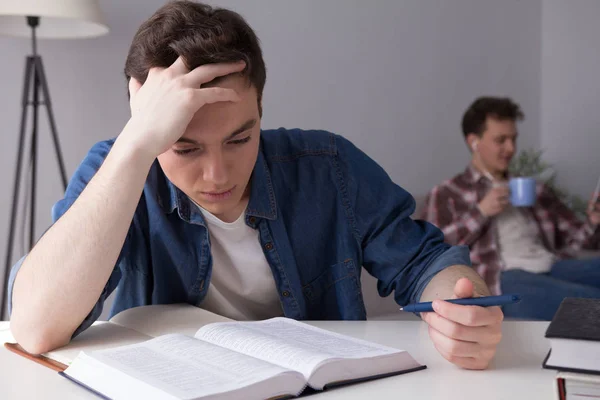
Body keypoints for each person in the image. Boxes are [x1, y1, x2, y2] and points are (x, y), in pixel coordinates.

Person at [8, 1, 502, 370]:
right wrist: (135, 147)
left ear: (261, 110)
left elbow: (425, 262)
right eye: (185, 148)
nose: (218, 175)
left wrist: (463, 306)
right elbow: (34, 327)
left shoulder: (327, 166)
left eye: (240, 139)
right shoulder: (119, 168)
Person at [421, 96, 600, 320]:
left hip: (550, 266)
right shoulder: (448, 193)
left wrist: (593, 221)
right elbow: (431, 254)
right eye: (501, 140)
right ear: (474, 142)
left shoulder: (534, 189)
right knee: (592, 303)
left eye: (514, 139)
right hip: (502, 278)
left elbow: (578, 242)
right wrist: (481, 212)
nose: (511, 148)